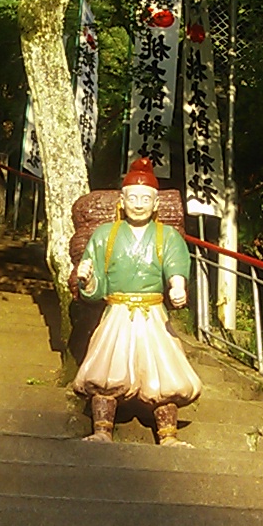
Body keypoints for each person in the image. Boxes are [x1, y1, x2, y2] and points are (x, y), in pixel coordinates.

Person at [73, 157, 201, 446]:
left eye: (146, 199)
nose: (139, 205)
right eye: (133, 198)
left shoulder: (167, 236)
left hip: (152, 313)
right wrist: (88, 280)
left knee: (164, 373)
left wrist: (177, 286)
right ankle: (102, 430)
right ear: (122, 201)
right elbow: (96, 285)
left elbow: (175, 266)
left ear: (156, 204)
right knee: (105, 372)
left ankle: (168, 435)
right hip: (117, 312)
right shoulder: (105, 235)